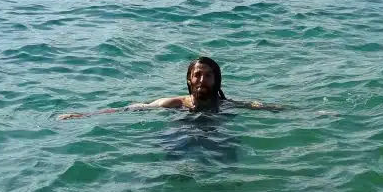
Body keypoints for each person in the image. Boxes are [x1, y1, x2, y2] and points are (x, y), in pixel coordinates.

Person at [58, 56, 280, 119]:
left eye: (209, 76)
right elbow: (133, 108)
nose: (203, 80)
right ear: (189, 80)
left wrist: (309, 114)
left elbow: (264, 107)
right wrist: (85, 115)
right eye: (198, 75)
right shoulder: (174, 103)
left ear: (217, 80)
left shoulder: (227, 106)